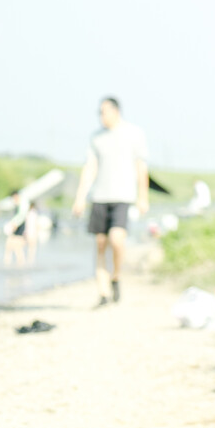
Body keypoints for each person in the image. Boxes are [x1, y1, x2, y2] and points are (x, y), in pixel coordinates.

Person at [72, 97, 149, 307]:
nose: (100, 116)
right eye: (99, 112)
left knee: (116, 240)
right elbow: (90, 168)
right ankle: (103, 293)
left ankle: (116, 276)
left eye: (103, 112)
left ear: (115, 111)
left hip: (123, 197)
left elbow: (141, 167)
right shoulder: (96, 137)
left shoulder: (134, 133)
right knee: (100, 244)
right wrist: (80, 197)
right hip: (99, 197)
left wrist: (143, 197)